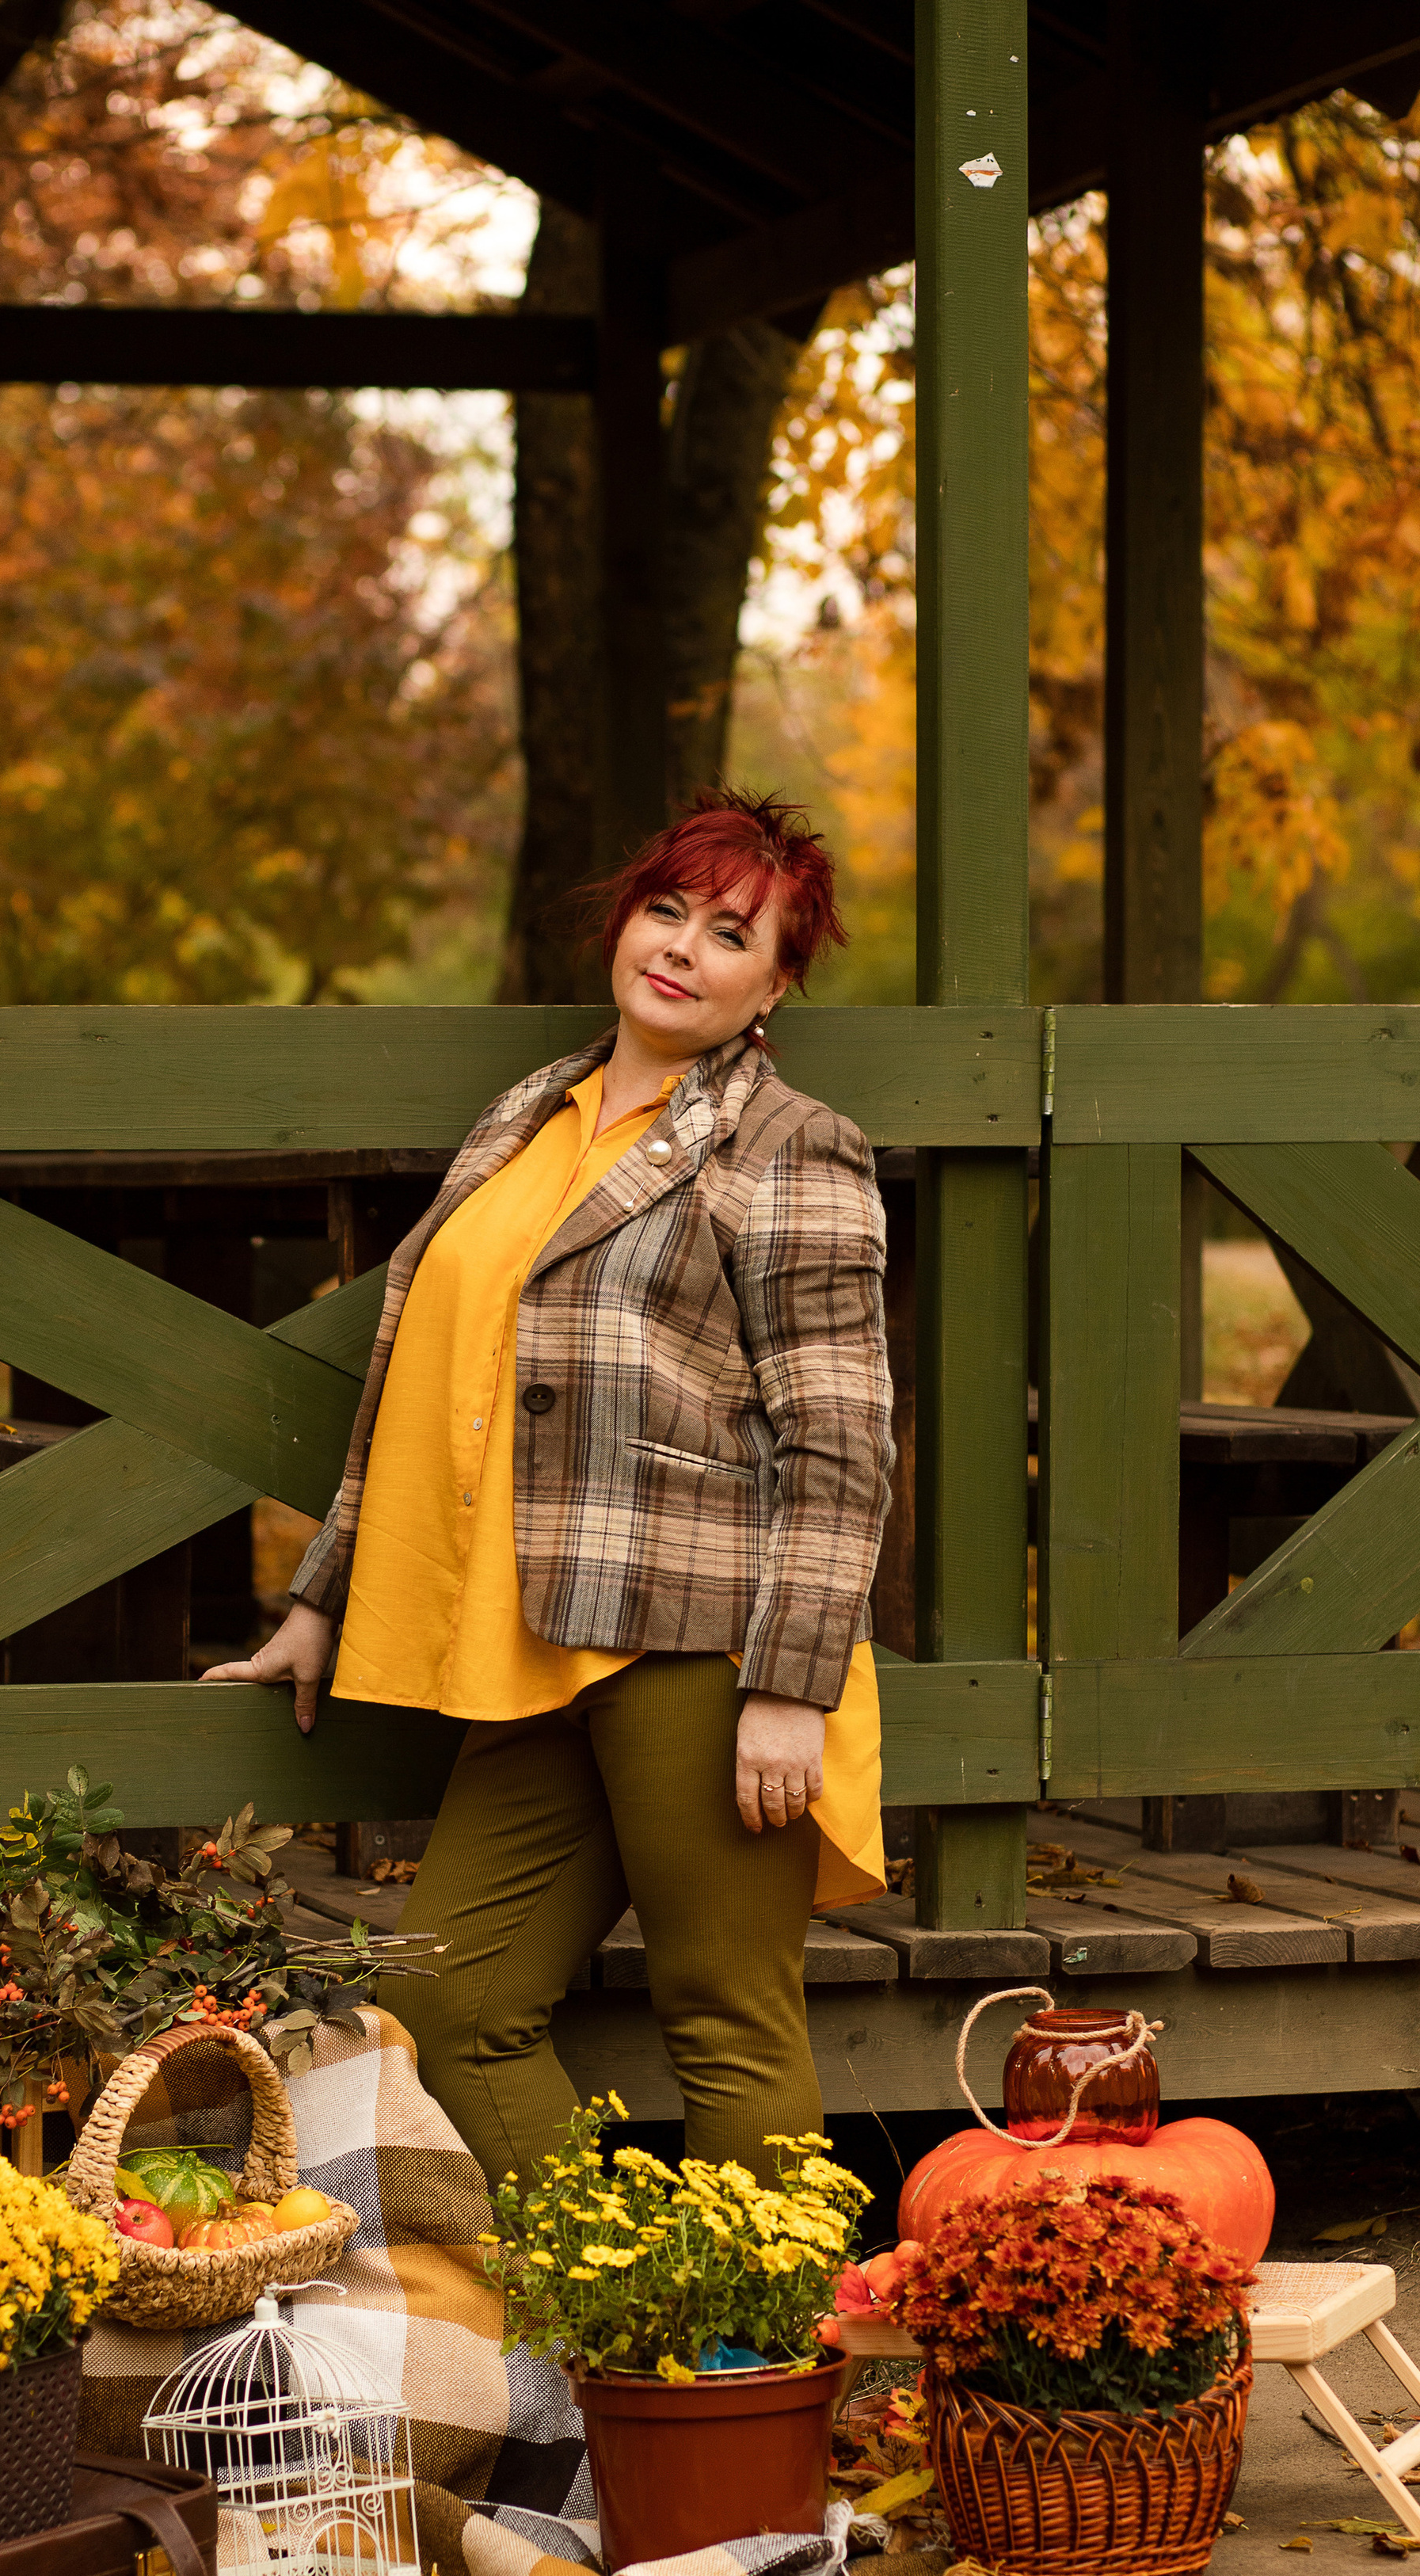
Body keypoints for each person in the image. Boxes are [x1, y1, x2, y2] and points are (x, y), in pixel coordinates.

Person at [204, 788, 893, 2193]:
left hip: (704, 1645)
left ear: (776, 984)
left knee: (725, 2017)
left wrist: (791, 1684)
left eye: (731, 933)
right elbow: (430, 1377)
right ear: (622, 920)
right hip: (527, 1638)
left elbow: (844, 1440)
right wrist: (325, 1595)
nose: (684, 949)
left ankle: (752, 2384)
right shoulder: (531, 1114)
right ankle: (614, 2317)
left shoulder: (794, 1147)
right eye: (667, 911)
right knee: (446, 2003)